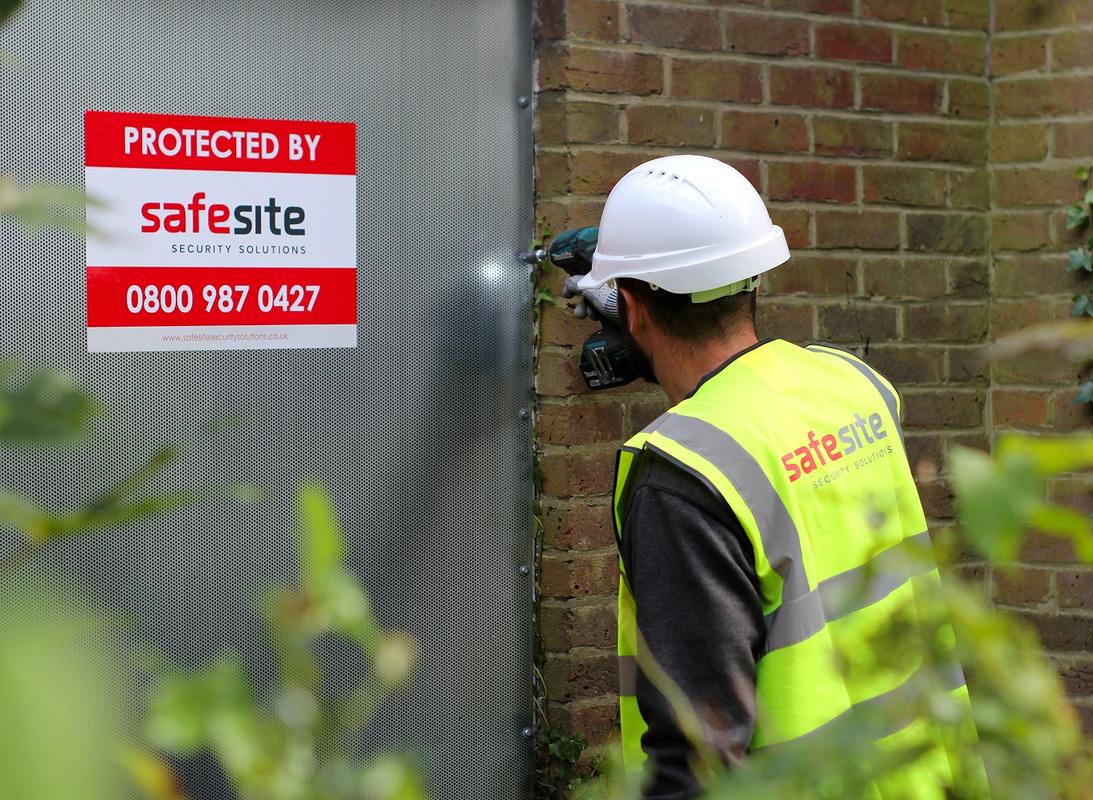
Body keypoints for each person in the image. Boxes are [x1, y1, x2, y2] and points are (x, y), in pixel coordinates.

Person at [565, 155, 975, 799]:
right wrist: (651, 343)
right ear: (751, 277)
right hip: (922, 776)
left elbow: (699, 757)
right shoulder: (856, 387)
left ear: (633, 308)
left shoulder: (680, 477)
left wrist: (646, 334)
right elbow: (752, 408)